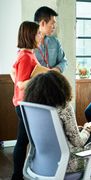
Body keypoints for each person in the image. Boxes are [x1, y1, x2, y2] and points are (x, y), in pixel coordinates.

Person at [10, 21, 42, 180]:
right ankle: (18, 176)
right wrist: (41, 76)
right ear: (30, 35)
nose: (40, 36)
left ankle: (23, 175)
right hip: (25, 105)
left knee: (26, 141)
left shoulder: (25, 53)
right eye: (38, 33)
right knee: (23, 142)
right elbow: (21, 84)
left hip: (24, 104)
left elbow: (13, 74)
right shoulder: (25, 56)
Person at [34, 6, 67, 72]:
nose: (54, 27)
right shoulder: (28, 43)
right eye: (52, 23)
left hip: (53, 80)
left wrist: (55, 71)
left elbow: (63, 61)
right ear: (43, 23)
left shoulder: (55, 42)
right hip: (36, 81)